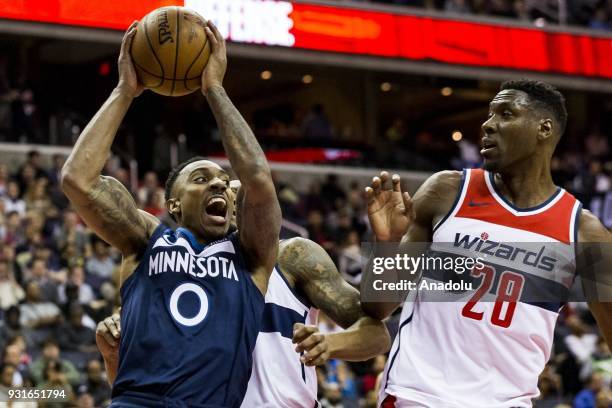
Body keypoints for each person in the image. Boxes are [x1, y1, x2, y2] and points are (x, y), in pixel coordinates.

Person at [60, 20, 281, 407]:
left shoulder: (265, 253)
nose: (218, 184)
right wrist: (125, 91)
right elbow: (77, 180)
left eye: (224, 180)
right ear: (173, 204)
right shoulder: (148, 238)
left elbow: (375, 323)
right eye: (200, 178)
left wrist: (214, 89)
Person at [362, 79, 612, 407]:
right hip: (418, 394)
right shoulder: (447, 191)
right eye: (490, 114)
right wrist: (388, 243)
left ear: (544, 129)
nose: (488, 125)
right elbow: (378, 306)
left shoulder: (582, 231)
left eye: (506, 114)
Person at [96, 183, 390, 407]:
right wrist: (113, 356)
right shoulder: (178, 282)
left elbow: (378, 334)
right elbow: (140, 391)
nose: (234, 201)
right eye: (228, 197)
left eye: (248, 197)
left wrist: (330, 343)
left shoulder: (293, 256)